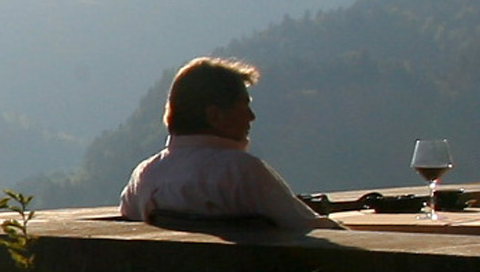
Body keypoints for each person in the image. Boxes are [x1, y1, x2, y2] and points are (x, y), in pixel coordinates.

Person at [118, 57, 338, 231]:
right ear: (215, 116)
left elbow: (128, 222)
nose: (251, 117)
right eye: (243, 106)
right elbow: (310, 230)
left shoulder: (145, 176)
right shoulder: (242, 172)